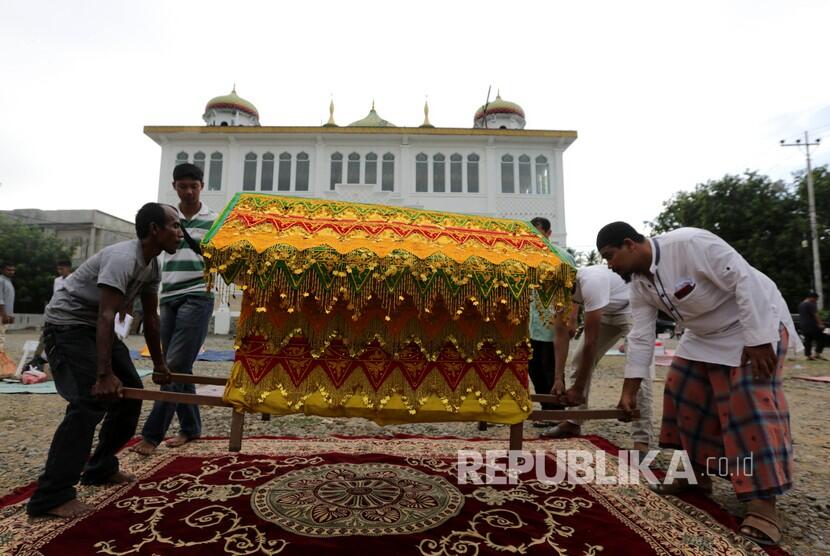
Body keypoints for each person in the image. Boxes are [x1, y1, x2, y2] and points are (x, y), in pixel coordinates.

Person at [596, 221, 797, 547]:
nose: (609, 264)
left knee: (748, 403)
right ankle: (695, 475)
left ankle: (763, 502)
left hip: (752, 322)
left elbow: (744, 278)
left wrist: (759, 338)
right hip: (703, 336)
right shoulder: (639, 286)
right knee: (680, 388)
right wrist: (628, 391)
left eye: (610, 255)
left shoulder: (689, 243)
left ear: (630, 244)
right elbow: (642, 338)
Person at [26, 203, 180, 518]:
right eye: (175, 226)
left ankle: (100, 467)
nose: (180, 233)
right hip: (67, 325)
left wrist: (161, 365)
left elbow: (150, 318)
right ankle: (50, 496)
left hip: (93, 326)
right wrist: (102, 374)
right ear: (154, 229)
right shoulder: (123, 258)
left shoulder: (151, 266)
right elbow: (106, 315)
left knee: (129, 394)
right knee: (88, 401)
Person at [133, 163, 217, 456]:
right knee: (181, 367)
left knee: (175, 366)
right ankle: (191, 428)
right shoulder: (166, 217)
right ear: (175, 187)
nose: (189, 191)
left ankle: (152, 435)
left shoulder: (213, 219)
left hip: (198, 295)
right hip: (168, 294)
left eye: (194, 186)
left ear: (202, 187)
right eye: (183, 186)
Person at [543, 265, 653, 453]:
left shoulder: (591, 281)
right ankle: (573, 421)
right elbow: (560, 335)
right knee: (578, 361)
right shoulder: (558, 290)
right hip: (606, 312)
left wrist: (578, 388)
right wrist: (558, 378)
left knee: (639, 370)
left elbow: (591, 343)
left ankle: (641, 441)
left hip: (631, 309)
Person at [527, 217, 562, 420]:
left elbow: (573, 291)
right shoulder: (526, 260)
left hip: (552, 325)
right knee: (534, 369)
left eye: (539, 233)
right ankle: (545, 409)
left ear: (548, 234)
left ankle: (556, 413)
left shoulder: (561, 258)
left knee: (551, 369)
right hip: (531, 326)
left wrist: (572, 317)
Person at [798, 291, 827, 361]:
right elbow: (816, 315)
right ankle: (817, 354)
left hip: (804, 326)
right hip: (812, 326)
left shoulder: (801, 304)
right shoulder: (810, 304)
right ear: (812, 298)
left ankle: (808, 356)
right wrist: (820, 324)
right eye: (816, 299)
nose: (816, 301)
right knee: (822, 338)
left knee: (808, 340)